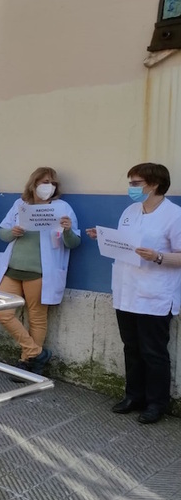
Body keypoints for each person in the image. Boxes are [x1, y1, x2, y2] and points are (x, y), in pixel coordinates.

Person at [87, 163, 181, 424]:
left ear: (154, 184)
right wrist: (104, 238)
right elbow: (124, 244)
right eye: (131, 183)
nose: (131, 188)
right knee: (132, 348)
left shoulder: (174, 216)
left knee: (154, 351)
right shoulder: (130, 211)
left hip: (155, 295)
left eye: (136, 183)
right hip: (127, 291)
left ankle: (156, 403)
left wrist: (159, 256)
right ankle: (134, 396)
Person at [0, 167, 80, 377]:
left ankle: (27, 362)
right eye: (43, 182)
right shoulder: (20, 205)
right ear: (33, 184)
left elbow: (74, 242)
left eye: (51, 183)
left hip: (41, 272)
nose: (47, 187)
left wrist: (68, 230)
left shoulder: (62, 207)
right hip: (13, 269)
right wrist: (12, 232)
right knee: (1, 312)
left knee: (37, 318)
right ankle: (37, 352)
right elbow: (2, 233)